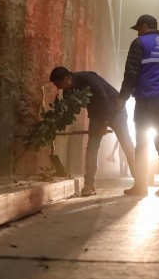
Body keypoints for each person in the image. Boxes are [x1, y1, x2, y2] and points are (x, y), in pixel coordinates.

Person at [117, 14, 159, 197]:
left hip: (146, 99)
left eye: (139, 29)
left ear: (145, 26)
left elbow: (131, 72)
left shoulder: (139, 43)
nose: (138, 33)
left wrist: (123, 97)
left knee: (142, 142)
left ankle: (141, 185)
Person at [49, 67, 136, 197]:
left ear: (67, 78)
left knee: (126, 144)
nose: (58, 88)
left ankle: (140, 180)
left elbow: (104, 99)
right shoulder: (67, 91)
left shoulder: (89, 78)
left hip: (115, 109)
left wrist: (104, 123)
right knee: (92, 148)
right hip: (97, 114)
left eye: (58, 84)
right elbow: (73, 110)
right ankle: (89, 184)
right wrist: (60, 112)